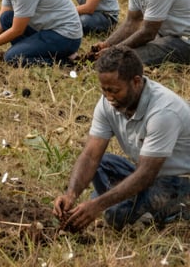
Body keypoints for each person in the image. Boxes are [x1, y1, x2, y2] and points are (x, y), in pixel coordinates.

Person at [54, 47, 190, 231]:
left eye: (114, 91)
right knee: (103, 163)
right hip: (148, 175)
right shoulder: (107, 105)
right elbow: (91, 156)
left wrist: (98, 205)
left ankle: (177, 211)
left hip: (178, 181)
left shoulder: (163, 112)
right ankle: (132, 206)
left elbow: (145, 174)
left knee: (115, 216)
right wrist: (71, 194)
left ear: (136, 82)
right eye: (104, 90)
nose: (109, 97)